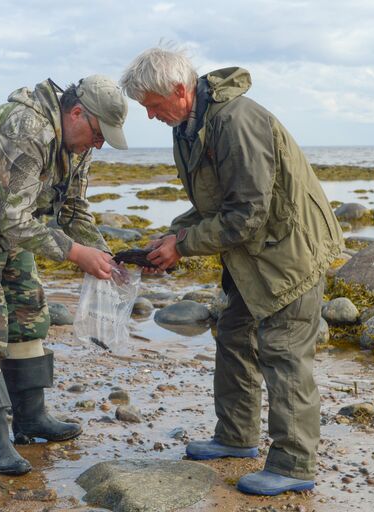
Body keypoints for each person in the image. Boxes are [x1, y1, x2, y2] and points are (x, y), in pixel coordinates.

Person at [120, 48, 343, 495]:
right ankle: (236, 438)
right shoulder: (190, 125)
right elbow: (214, 204)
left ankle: (295, 464)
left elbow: (247, 214)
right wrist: (170, 238)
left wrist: (182, 246)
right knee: (235, 337)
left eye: (151, 104)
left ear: (180, 91)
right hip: (249, 257)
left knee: (284, 354)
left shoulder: (236, 121)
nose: (149, 116)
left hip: (287, 255)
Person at [0, 75, 128, 475]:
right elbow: (15, 221)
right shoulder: (25, 127)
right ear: (76, 114)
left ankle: (31, 418)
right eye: (99, 133)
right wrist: (74, 253)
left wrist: (103, 253)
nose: (100, 143)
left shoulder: (77, 144)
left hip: (11, 225)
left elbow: (72, 209)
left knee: (29, 314)